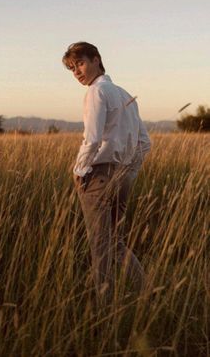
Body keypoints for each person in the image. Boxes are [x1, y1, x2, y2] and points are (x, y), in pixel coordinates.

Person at [62, 42, 151, 306]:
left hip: (98, 176)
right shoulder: (125, 95)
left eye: (80, 63)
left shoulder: (96, 91)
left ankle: (104, 309)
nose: (76, 72)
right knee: (115, 242)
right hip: (123, 174)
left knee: (100, 244)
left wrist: (79, 171)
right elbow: (145, 143)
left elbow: (91, 139)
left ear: (97, 60)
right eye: (71, 68)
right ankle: (145, 291)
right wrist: (130, 170)